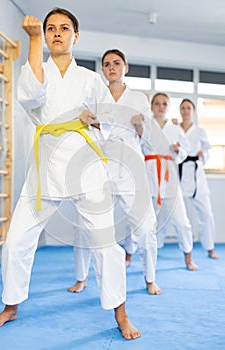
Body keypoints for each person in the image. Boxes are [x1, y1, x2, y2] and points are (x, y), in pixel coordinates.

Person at [0, 8, 141, 340]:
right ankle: (11, 305)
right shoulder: (34, 67)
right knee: (16, 241)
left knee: (106, 245)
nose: (57, 33)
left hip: (85, 167)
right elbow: (31, 96)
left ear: (75, 36)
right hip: (45, 168)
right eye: (51, 28)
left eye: (64, 28)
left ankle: (121, 312)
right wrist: (33, 40)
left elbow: (108, 118)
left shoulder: (90, 79)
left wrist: (93, 117)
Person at [68, 49, 162, 296]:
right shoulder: (94, 95)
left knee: (145, 227)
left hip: (131, 169)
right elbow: (85, 124)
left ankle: (150, 278)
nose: (112, 67)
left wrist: (138, 123)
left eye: (116, 63)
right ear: (103, 69)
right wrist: (89, 118)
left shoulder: (139, 98)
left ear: (126, 67)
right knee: (82, 225)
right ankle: (81, 277)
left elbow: (145, 136)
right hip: (99, 166)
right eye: (107, 64)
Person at [141, 92, 198, 270]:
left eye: (164, 104)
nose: (161, 107)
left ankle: (188, 257)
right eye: (157, 103)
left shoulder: (175, 129)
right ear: (152, 107)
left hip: (170, 177)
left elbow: (184, 152)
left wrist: (177, 150)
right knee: (142, 221)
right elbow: (136, 147)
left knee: (182, 221)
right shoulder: (145, 125)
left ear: (168, 106)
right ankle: (129, 255)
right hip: (149, 176)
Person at [178, 98, 218, 259]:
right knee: (168, 214)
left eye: (188, 108)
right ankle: (158, 245)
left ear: (193, 112)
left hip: (196, 175)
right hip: (179, 173)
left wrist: (203, 155)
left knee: (207, 214)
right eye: (183, 108)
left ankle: (210, 248)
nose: (186, 111)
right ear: (180, 111)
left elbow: (207, 150)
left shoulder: (200, 131)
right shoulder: (175, 128)